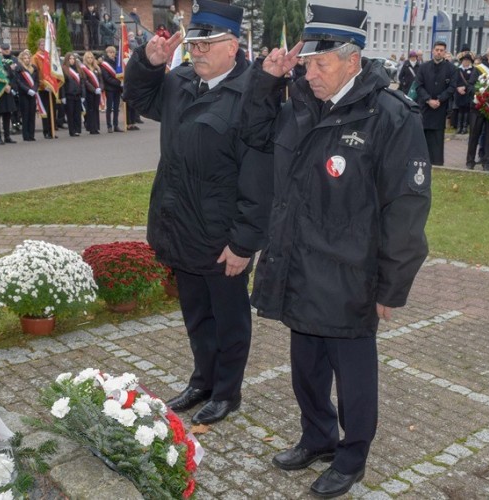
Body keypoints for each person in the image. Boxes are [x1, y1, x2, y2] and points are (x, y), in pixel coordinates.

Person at [242, 4, 430, 497]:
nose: (310, 72)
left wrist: (392, 284)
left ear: (353, 59)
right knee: (305, 366)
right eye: (307, 62)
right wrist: (267, 82)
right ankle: (317, 436)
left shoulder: (388, 115)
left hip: (351, 273)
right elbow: (255, 134)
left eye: (320, 63)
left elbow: (406, 208)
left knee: (353, 375)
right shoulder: (301, 103)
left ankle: (352, 456)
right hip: (298, 264)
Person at [124, 0, 272, 427]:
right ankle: (202, 380)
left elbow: (260, 179)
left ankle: (227, 392)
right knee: (195, 315)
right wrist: (149, 64)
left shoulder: (252, 95)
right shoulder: (181, 80)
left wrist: (244, 242)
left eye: (208, 44)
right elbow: (138, 97)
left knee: (229, 320)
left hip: (222, 235)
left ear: (234, 46)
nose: (198, 51)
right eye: (194, 43)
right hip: (180, 226)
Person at [415, 41, 455, 165]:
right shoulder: (423, 67)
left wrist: (440, 99)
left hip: (440, 108)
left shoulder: (451, 68)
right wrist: (428, 99)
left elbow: (452, 87)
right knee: (423, 136)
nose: (438, 52)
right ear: (432, 51)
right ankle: (422, 161)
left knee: (437, 138)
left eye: (441, 50)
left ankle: (437, 163)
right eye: (437, 49)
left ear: (445, 52)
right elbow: (418, 86)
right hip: (425, 108)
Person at [467, 44, 489, 170]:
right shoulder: (479, 69)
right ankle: (470, 161)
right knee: (474, 135)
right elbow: (470, 86)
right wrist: (479, 95)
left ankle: (487, 162)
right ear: (488, 56)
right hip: (478, 107)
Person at [0, 45, 18, 145]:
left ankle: (7, 136)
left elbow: (12, 76)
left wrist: (10, 86)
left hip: (8, 92)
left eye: (0, 53)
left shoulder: (6, 64)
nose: (0, 54)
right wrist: (3, 87)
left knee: (7, 115)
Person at [13, 50, 39, 141]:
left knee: (32, 115)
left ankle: (32, 135)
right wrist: (27, 90)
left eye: (28, 58)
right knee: (25, 115)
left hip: (32, 94)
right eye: (25, 58)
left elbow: (36, 81)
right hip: (24, 94)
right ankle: (26, 135)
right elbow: (18, 82)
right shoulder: (19, 69)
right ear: (21, 59)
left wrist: (34, 89)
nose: (27, 60)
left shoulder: (34, 68)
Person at [61, 52, 86, 136]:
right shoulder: (64, 69)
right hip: (69, 94)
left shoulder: (78, 68)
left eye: (73, 59)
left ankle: (78, 129)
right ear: (67, 60)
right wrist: (63, 96)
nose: (72, 60)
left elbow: (82, 82)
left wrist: (83, 94)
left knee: (77, 113)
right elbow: (63, 84)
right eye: (70, 59)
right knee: (70, 114)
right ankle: (72, 131)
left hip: (78, 94)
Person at [100, 46, 123, 132]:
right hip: (109, 88)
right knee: (109, 108)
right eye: (110, 52)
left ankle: (116, 125)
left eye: (113, 52)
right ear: (107, 53)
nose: (112, 54)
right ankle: (109, 126)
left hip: (117, 89)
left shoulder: (117, 62)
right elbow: (107, 78)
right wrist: (118, 82)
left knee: (116, 108)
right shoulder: (104, 64)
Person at [453, 52, 477, 135]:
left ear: (470, 61)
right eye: (464, 60)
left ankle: (465, 127)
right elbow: (454, 80)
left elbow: (472, 81)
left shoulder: (473, 69)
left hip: (468, 92)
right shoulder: (458, 69)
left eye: (467, 60)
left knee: (466, 110)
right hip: (459, 92)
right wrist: (457, 88)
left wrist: (465, 88)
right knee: (460, 109)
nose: (465, 62)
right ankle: (459, 127)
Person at [80, 51, 102, 134]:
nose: (90, 59)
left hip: (97, 91)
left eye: (91, 57)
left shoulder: (96, 68)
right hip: (89, 92)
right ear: (85, 59)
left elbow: (100, 80)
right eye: (88, 58)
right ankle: (91, 128)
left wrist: (100, 88)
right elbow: (86, 81)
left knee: (96, 109)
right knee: (90, 109)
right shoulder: (83, 68)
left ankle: (96, 127)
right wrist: (94, 89)